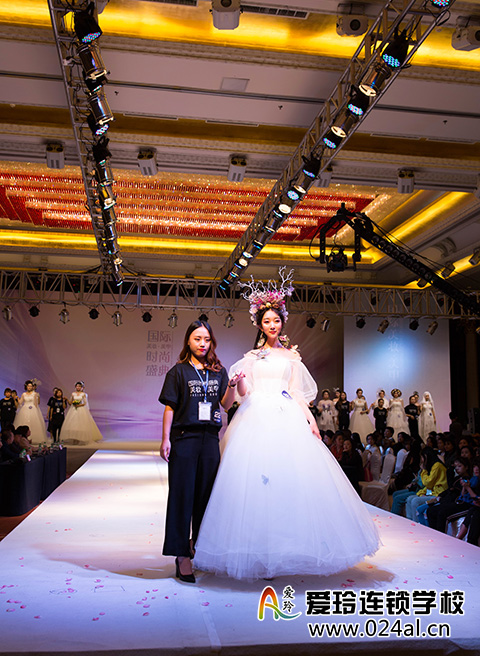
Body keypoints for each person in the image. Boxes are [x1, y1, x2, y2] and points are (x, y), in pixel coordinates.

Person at [194, 269, 380, 580]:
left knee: (289, 481)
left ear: (282, 322)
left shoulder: (292, 357)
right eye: (267, 321)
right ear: (259, 324)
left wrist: (311, 420)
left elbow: (297, 393)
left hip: (285, 417)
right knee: (252, 483)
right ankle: (257, 550)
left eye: (276, 320)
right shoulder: (251, 357)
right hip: (254, 417)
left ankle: (285, 550)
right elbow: (244, 394)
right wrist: (238, 382)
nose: (272, 325)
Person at [159, 319, 238, 583]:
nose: (202, 344)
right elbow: (169, 407)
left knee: (206, 497)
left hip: (210, 439)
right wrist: (165, 439)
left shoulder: (218, 371)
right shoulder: (178, 371)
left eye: (207, 339)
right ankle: (181, 555)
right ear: (188, 341)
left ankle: (199, 547)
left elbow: (226, 405)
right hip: (184, 438)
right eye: (197, 339)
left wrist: (231, 386)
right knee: (182, 496)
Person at [14, 380, 47, 444]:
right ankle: (23, 438)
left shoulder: (35, 394)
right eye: (28, 386)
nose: (29, 387)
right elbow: (20, 402)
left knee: (34, 423)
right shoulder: (23, 394)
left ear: (32, 387)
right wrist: (17, 398)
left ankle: (33, 438)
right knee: (24, 422)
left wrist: (36, 411)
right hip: (24, 409)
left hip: (33, 409)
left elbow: (36, 404)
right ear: (26, 386)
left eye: (31, 386)